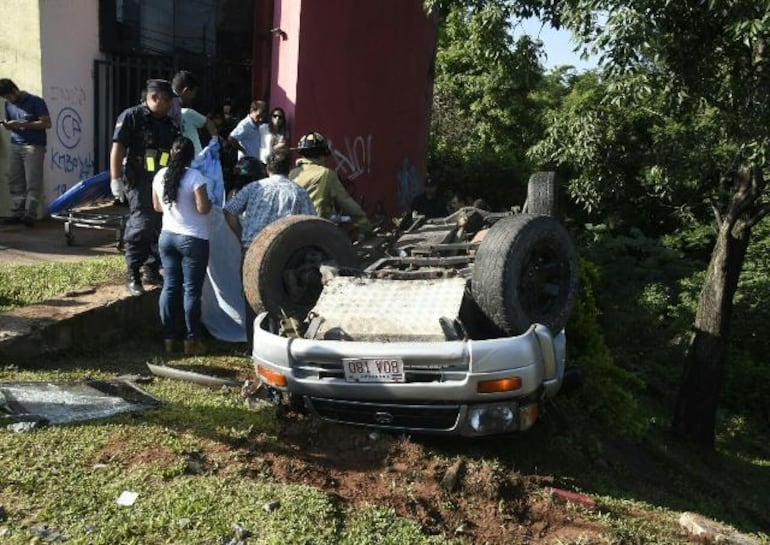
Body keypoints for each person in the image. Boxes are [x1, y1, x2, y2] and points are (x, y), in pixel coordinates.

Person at [224, 147, 316, 345]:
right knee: (280, 298)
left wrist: (241, 235)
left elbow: (230, 211)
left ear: (268, 169)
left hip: (252, 249)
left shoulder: (254, 187)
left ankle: (254, 345)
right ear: (290, 169)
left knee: (252, 299)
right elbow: (310, 223)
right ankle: (277, 343)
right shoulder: (298, 191)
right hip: (282, 252)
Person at [110, 79, 180, 296]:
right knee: (141, 224)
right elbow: (118, 148)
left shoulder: (170, 124)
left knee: (159, 225)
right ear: (154, 97)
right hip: (138, 180)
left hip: (161, 181)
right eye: (167, 100)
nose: (170, 105)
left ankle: (151, 268)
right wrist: (115, 179)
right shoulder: (132, 116)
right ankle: (133, 272)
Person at [152, 137, 212, 356]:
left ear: (171, 152)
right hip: (193, 239)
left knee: (169, 287)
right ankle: (191, 340)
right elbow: (203, 208)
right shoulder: (196, 177)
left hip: (167, 237)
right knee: (191, 291)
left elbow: (157, 206)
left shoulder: (159, 175)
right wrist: (210, 202)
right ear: (191, 155)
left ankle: (168, 338)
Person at [289, 131, 370, 236]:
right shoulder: (326, 174)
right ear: (322, 154)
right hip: (316, 231)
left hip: (291, 230)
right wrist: (364, 224)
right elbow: (346, 203)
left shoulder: (292, 173)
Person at [0, 78, 51, 226]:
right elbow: (11, 122)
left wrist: (22, 124)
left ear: (15, 90)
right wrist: (8, 125)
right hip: (16, 144)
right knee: (15, 180)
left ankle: (30, 214)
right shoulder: (8, 104)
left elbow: (47, 123)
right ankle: (18, 212)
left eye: (8, 96)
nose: (8, 99)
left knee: (32, 181)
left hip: (34, 146)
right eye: (5, 98)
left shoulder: (35, 101)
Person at [171, 70, 218, 155]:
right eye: (194, 93)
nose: (194, 97)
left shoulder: (184, 110)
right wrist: (214, 142)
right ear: (185, 91)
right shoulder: (185, 112)